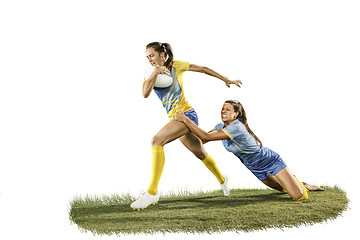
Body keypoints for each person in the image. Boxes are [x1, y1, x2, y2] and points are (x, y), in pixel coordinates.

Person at [130, 42, 242, 209]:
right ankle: (222, 179)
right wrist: (155, 73)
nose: (149, 60)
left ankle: (152, 192)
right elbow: (145, 94)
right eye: (147, 57)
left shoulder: (176, 66)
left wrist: (225, 79)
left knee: (156, 140)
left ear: (162, 54)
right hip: (175, 119)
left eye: (152, 55)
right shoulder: (150, 73)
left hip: (186, 115)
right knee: (200, 153)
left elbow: (203, 68)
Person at [173, 100, 324, 201]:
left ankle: (302, 185)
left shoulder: (236, 126)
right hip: (253, 167)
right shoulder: (220, 126)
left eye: (228, 109)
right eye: (222, 108)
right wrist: (182, 131)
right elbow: (203, 140)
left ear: (236, 114)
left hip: (269, 160)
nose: (223, 111)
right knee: (281, 189)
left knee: (299, 197)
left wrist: (186, 120)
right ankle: (295, 181)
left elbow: (205, 136)